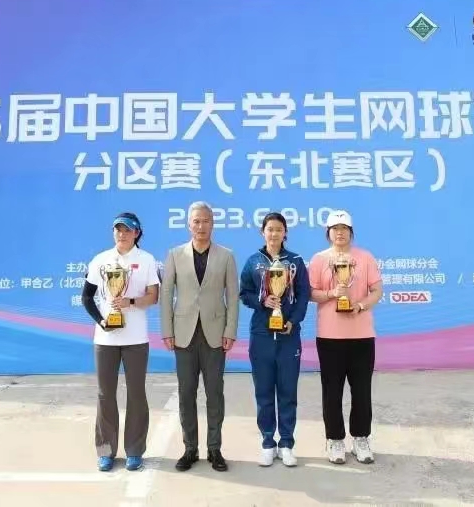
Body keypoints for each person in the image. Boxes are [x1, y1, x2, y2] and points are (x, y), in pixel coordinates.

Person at [160, 201, 240, 472]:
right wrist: (167, 330)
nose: (201, 226)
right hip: (183, 334)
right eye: (196, 221)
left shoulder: (226, 256)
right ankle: (190, 449)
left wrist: (230, 331)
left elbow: (232, 296)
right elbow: (166, 295)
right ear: (188, 224)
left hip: (215, 334)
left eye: (206, 221)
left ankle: (214, 449)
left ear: (212, 224)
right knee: (186, 393)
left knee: (215, 393)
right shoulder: (174, 255)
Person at [81, 212, 161, 473]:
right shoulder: (101, 260)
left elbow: (154, 296)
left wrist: (131, 302)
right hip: (105, 339)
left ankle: (134, 451)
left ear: (137, 233)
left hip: (136, 339)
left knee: (136, 394)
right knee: (105, 395)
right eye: (118, 229)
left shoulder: (146, 260)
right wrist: (101, 321)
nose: (122, 234)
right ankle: (105, 451)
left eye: (127, 230)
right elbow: (87, 297)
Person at [307, 209, 383, 465]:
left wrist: (360, 305)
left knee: (361, 390)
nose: (340, 233)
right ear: (328, 233)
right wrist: (332, 294)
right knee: (332, 391)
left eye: (344, 229)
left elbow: (377, 290)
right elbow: (311, 293)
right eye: (335, 229)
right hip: (330, 336)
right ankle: (335, 439)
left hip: (361, 336)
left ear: (351, 232)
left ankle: (361, 438)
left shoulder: (365, 257)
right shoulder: (319, 259)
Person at [239, 212, 311, 468]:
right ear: (263, 232)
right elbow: (244, 293)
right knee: (264, 392)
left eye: (279, 229)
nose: (274, 233)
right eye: (270, 229)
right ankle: (268, 443)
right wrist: (262, 301)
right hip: (261, 335)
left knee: (288, 392)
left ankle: (287, 444)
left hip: (288, 335)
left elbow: (303, 294)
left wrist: (294, 321)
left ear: (285, 233)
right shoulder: (253, 261)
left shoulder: (296, 261)